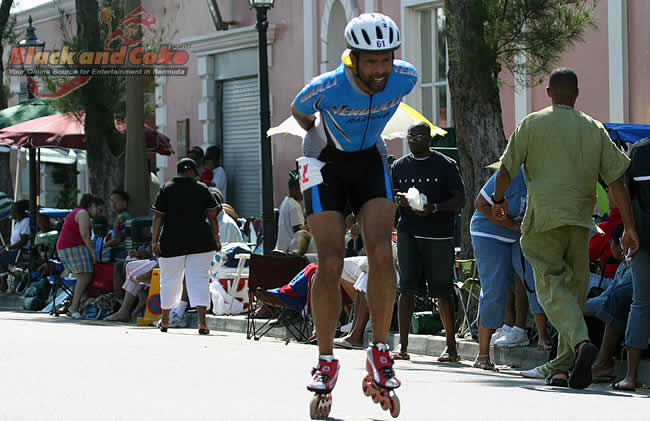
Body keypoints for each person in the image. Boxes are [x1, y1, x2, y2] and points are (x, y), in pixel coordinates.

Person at [291, 13, 416, 411]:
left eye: (386, 60)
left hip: (369, 160)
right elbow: (300, 112)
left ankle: (379, 351)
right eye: (371, 61)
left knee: (381, 252)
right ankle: (325, 359)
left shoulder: (406, 77)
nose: (380, 69)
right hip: (323, 160)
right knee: (330, 259)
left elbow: (393, 78)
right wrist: (319, 132)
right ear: (353, 59)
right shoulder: (325, 87)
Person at [492, 68, 639, 389]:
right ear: (576, 94)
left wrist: (498, 200)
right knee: (571, 295)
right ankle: (560, 369)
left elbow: (505, 171)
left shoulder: (531, 124)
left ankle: (582, 343)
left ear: (548, 93)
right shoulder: (593, 128)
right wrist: (629, 227)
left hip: (543, 221)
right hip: (581, 223)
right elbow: (617, 181)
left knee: (551, 290)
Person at [391, 121, 465, 362]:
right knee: (406, 288)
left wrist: (434, 207)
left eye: (421, 136)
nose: (415, 140)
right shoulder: (399, 166)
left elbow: (460, 199)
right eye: (411, 136)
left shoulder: (445, 165)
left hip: (438, 234)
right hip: (408, 233)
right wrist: (400, 200)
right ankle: (402, 346)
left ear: (429, 139)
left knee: (442, 290)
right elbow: (392, 195)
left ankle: (451, 347)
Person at [470, 165, 551, 371]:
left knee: (533, 279)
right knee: (494, 288)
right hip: (489, 232)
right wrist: (512, 225)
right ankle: (483, 354)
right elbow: (480, 204)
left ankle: (543, 337)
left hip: (519, 234)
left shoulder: (547, 174)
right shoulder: (509, 174)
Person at [151, 158, 221, 335]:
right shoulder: (202, 188)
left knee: (169, 280)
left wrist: (154, 241)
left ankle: (165, 321)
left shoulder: (166, 188)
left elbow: (158, 217)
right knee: (199, 280)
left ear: (179, 171)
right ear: (193, 172)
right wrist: (216, 238)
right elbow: (213, 216)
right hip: (201, 241)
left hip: (171, 242)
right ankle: (202, 323)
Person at [613, 137, 650, 391]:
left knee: (641, 303)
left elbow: (625, 195)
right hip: (640, 237)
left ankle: (630, 376)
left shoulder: (638, 151)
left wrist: (627, 229)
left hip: (641, 235)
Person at [55, 194, 105, 319]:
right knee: (85, 276)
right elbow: (85, 234)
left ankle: (76, 306)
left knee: (81, 277)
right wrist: (93, 252)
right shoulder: (83, 213)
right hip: (72, 246)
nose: (99, 214)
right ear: (92, 205)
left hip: (68, 247)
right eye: (99, 210)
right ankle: (74, 307)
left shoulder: (78, 212)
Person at [274, 172, 313, 256]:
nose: (303, 192)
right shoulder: (294, 205)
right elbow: (298, 230)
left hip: (281, 247)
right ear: (295, 189)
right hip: (290, 249)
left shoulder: (285, 202)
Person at [0, 200, 30, 293]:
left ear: (18, 212)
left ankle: (3, 283)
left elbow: (23, 241)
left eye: (12, 211)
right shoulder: (18, 223)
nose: (11, 213)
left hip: (21, 252)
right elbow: (14, 241)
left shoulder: (26, 222)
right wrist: (5, 247)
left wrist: (8, 248)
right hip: (14, 250)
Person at [102, 190, 132, 261]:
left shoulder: (122, 217)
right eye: (111, 201)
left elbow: (118, 239)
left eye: (116, 201)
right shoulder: (121, 216)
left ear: (124, 203)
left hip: (121, 251)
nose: (113, 204)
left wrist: (103, 246)